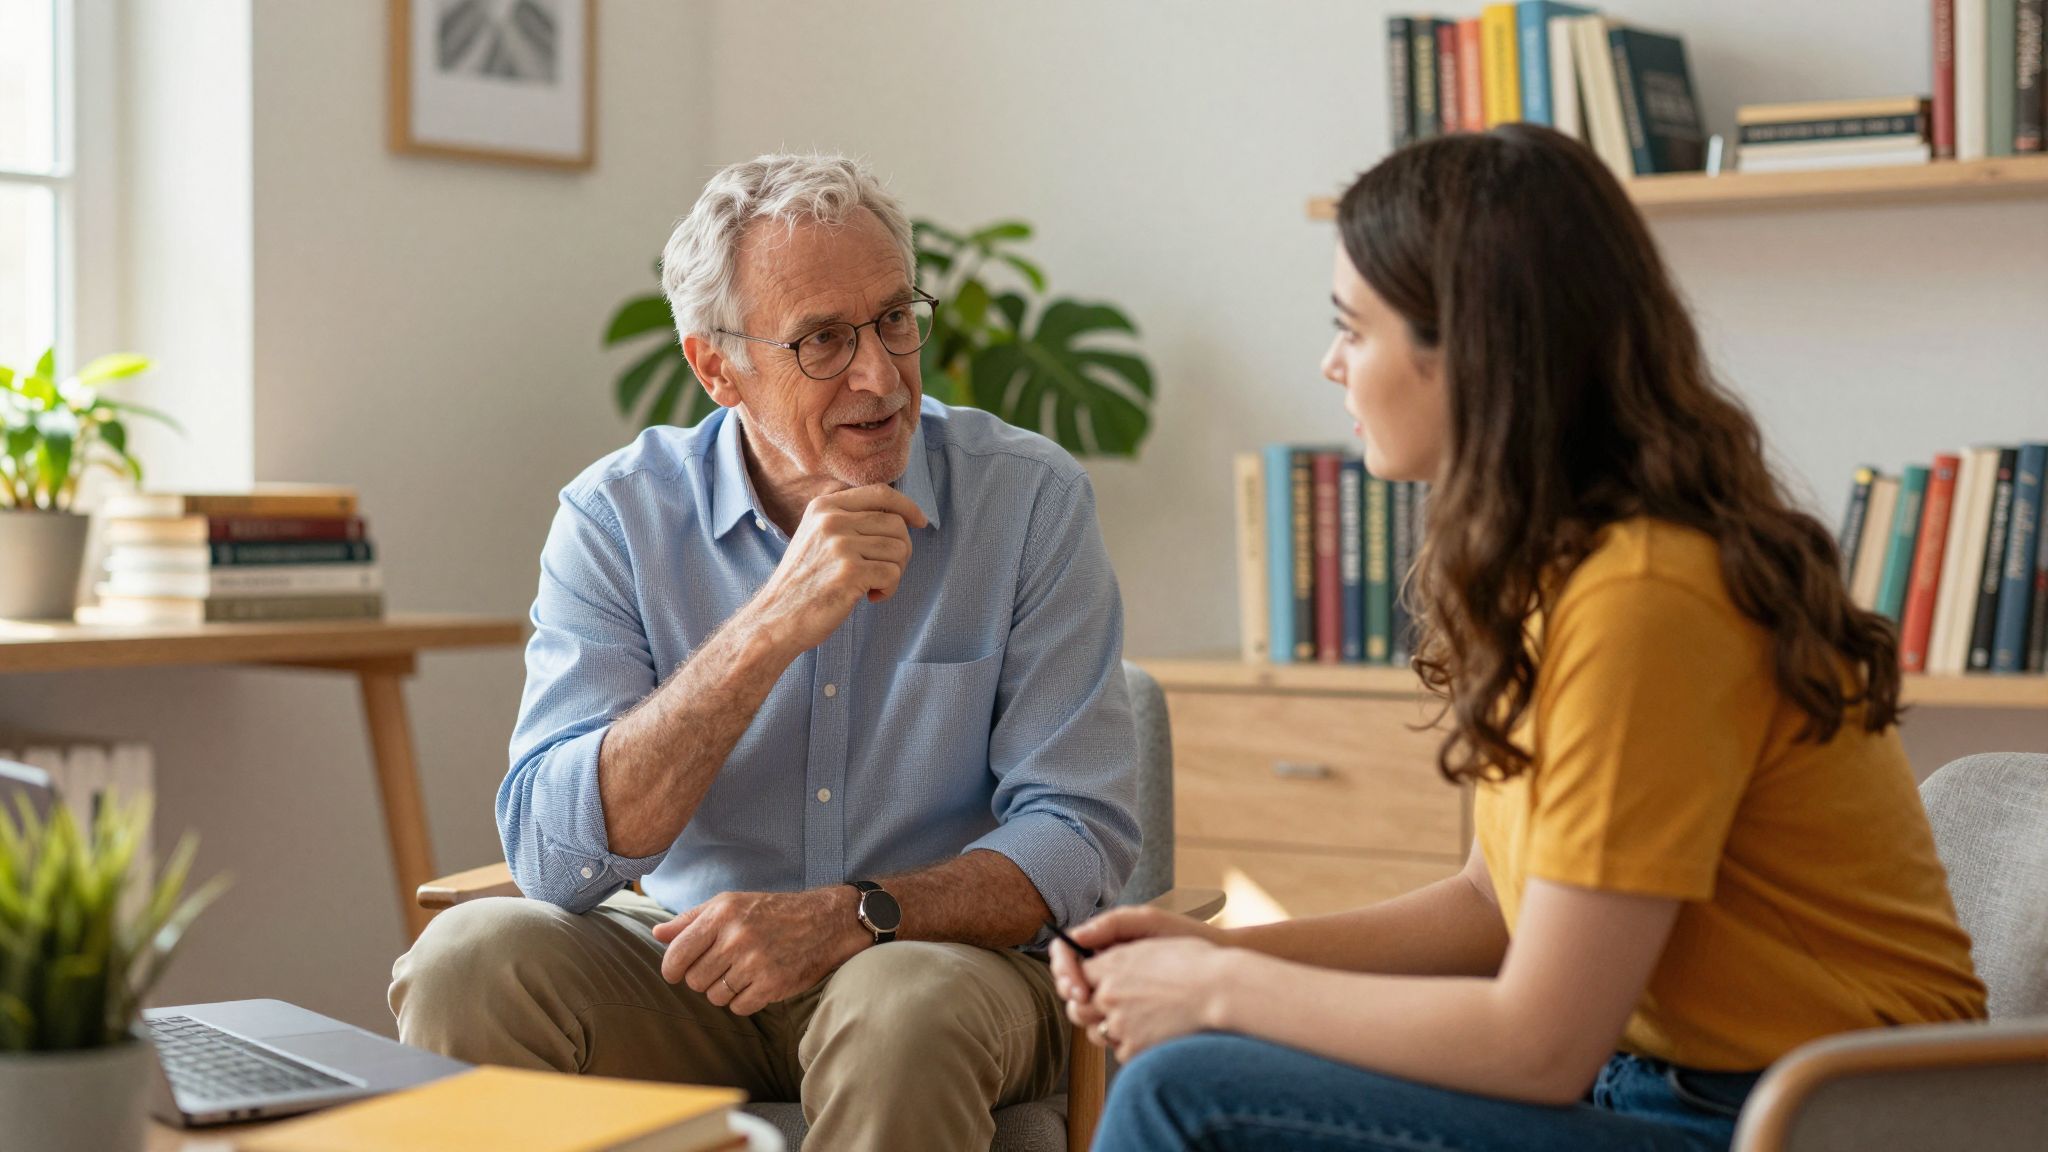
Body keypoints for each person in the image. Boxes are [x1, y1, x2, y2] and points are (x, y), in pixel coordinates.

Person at [1053, 124, 1988, 1152]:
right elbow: (1493, 908)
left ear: (1470, 348)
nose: (1328, 365)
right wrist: (1223, 952)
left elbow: (1540, 1041)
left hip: (1820, 1122)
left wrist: (1223, 988)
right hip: (1669, 1095)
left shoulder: (1645, 596)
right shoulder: (1561, 571)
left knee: (1187, 1092)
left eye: (1351, 330)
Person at [391, 153, 1140, 1151]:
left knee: (896, 1005)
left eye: (892, 321)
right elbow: (551, 855)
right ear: (716, 367)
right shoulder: (617, 517)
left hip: (941, 966)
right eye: (823, 340)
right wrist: (767, 628)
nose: (877, 373)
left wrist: (853, 917)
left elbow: (1078, 837)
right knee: (467, 959)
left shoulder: (1027, 501)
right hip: (691, 972)